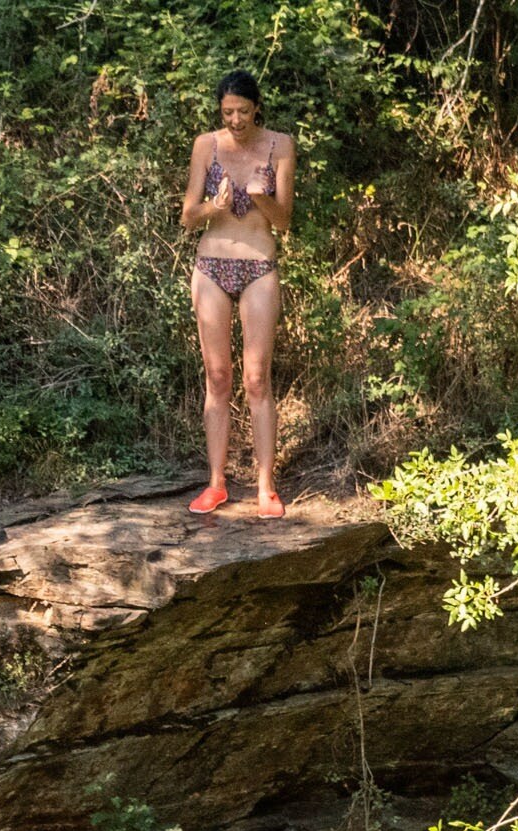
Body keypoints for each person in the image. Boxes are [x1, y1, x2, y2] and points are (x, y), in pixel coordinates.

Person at [177, 70, 296, 518]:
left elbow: (283, 220)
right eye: (227, 112)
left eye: (243, 111)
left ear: (257, 107)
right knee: (218, 376)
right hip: (211, 265)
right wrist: (216, 207)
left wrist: (261, 197)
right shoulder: (205, 146)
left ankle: (266, 486)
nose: (235, 119)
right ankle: (216, 483)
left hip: (258, 265)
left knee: (256, 378)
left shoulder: (279, 145)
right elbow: (188, 216)